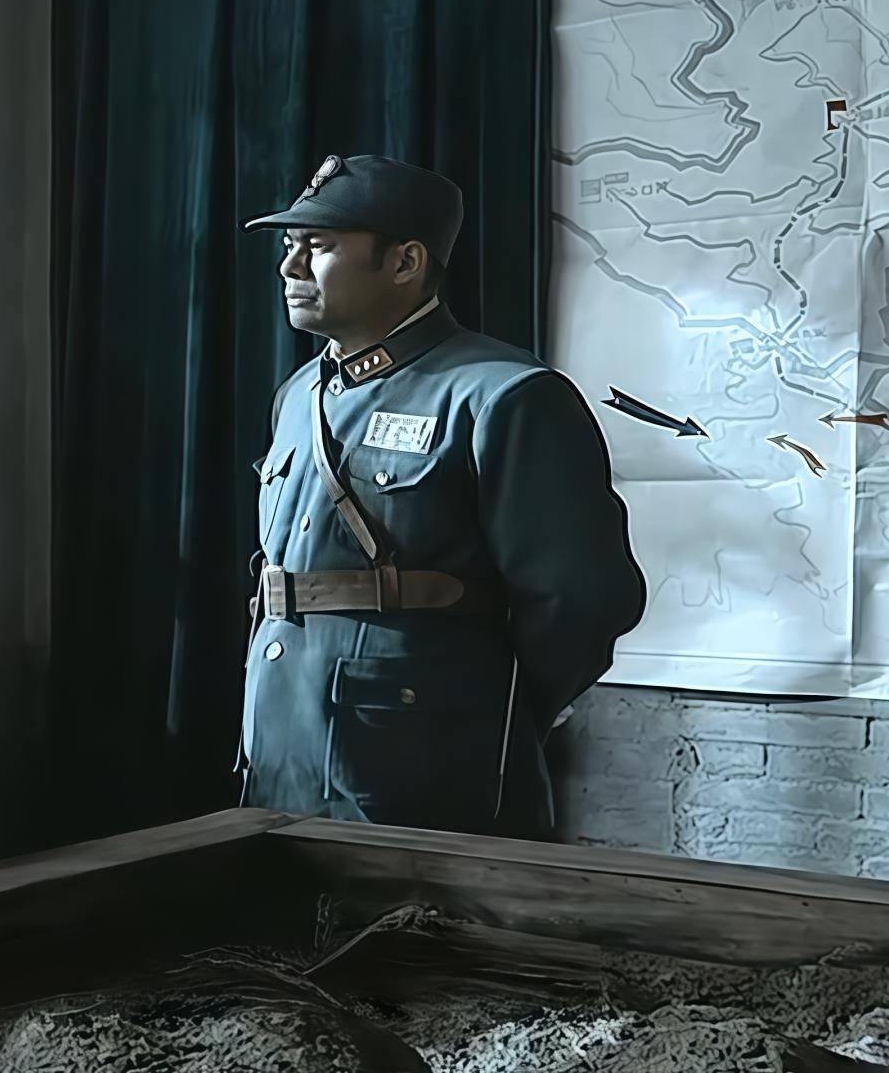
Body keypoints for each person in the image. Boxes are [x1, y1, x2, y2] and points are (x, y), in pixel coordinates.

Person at [235, 154, 645, 839]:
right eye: (290, 246)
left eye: (319, 246)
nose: (290, 267)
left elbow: (582, 602)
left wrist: (485, 716)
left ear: (404, 262)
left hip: (423, 771)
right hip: (283, 754)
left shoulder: (504, 395)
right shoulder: (299, 396)